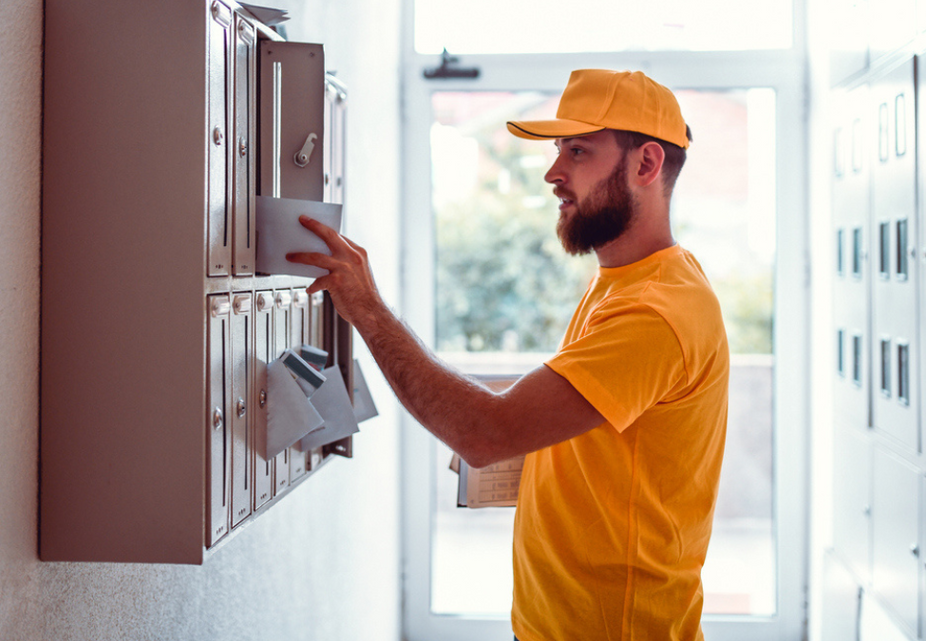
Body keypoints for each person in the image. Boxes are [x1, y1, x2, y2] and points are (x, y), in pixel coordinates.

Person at [289, 68, 730, 641]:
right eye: (557, 151)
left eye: (578, 151)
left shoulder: (654, 311)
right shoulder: (633, 280)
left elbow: (484, 433)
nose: (553, 174)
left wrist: (368, 310)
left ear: (646, 165)